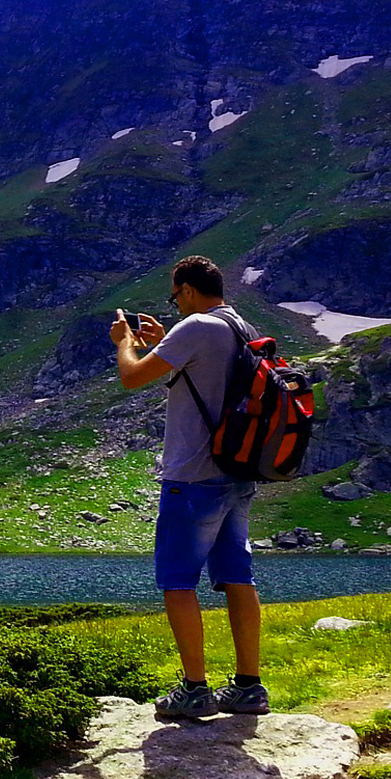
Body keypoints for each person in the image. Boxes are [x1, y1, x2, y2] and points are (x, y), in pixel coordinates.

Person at [109, 255, 268, 718]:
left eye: (175, 294)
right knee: (237, 576)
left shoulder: (197, 326)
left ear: (190, 290)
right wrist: (164, 341)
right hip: (236, 473)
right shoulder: (240, 326)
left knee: (178, 580)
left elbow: (131, 376)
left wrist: (125, 343)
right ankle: (249, 686)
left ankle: (195, 688)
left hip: (193, 476)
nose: (175, 303)